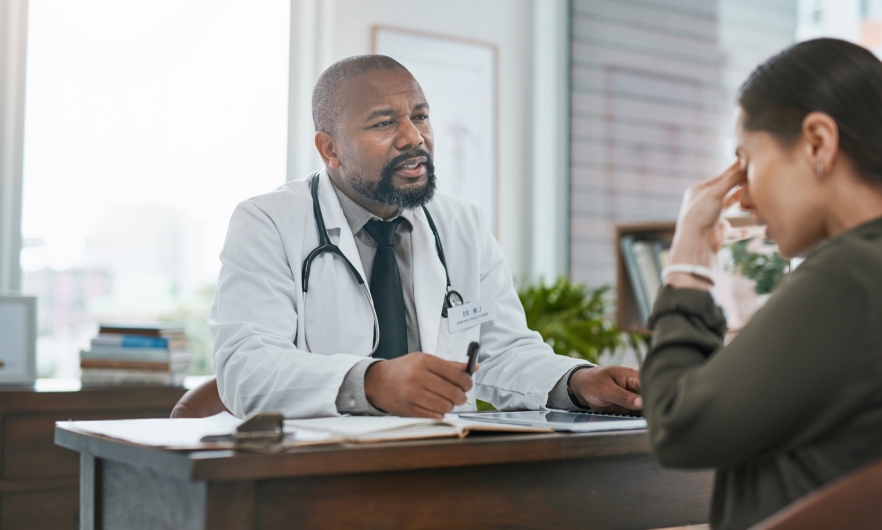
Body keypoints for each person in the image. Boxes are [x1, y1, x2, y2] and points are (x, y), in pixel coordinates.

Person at [209, 55, 642, 419]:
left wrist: (578, 382)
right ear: (330, 149)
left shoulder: (461, 225)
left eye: (420, 116)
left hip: (444, 463)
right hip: (325, 472)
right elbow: (246, 369)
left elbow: (501, 352)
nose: (414, 137)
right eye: (384, 123)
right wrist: (372, 382)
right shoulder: (267, 222)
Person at [641, 38, 882, 530]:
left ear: (818, 142)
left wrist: (687, 263)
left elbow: (678, 426)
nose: (743, 197)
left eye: (746, 162)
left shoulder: (850, 276)